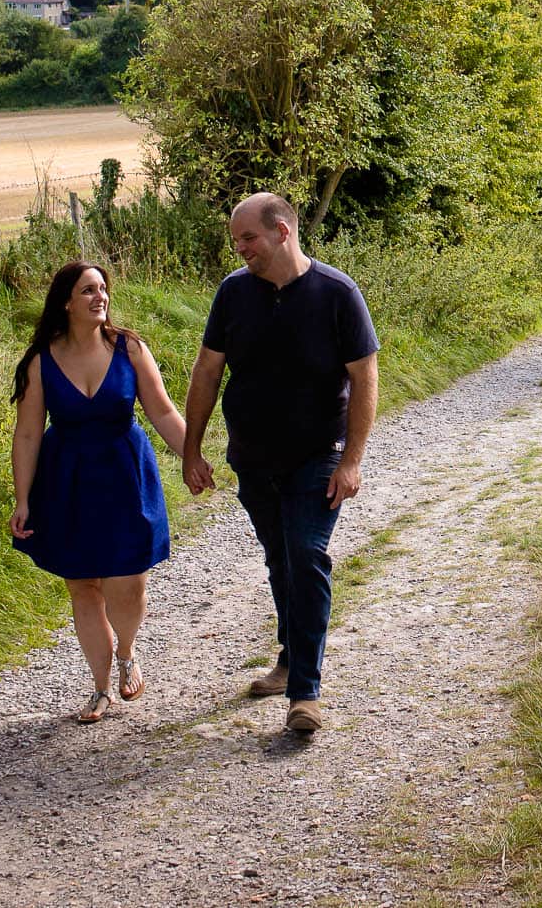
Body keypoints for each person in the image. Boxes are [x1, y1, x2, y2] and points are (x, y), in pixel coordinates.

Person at [181, 192, 379, 734]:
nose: (240, 248)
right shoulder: (233, 294)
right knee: (280, 559)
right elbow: (206, 371)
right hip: (253, 459)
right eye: (235, 240)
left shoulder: (337, 293)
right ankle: (290, 656)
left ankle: (305, 692)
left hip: (318, 456)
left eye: (248, 238)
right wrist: (191, 448)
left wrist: (352, 460)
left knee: (307, 556)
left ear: (283, 231)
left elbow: (364, 378)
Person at [10, 259, 183, 723]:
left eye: (103, 288)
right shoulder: (41, 361)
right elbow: (27, 434)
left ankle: (128, 652)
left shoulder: (129, 349)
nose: (100, 297)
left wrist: (194, 458)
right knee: (83, 586)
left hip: (125, 476)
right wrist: (23, 499)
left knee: (127, 583)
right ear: (66, 302)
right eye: (88, 290)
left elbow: (164, 413)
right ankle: (101, 688)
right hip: (66, 482)